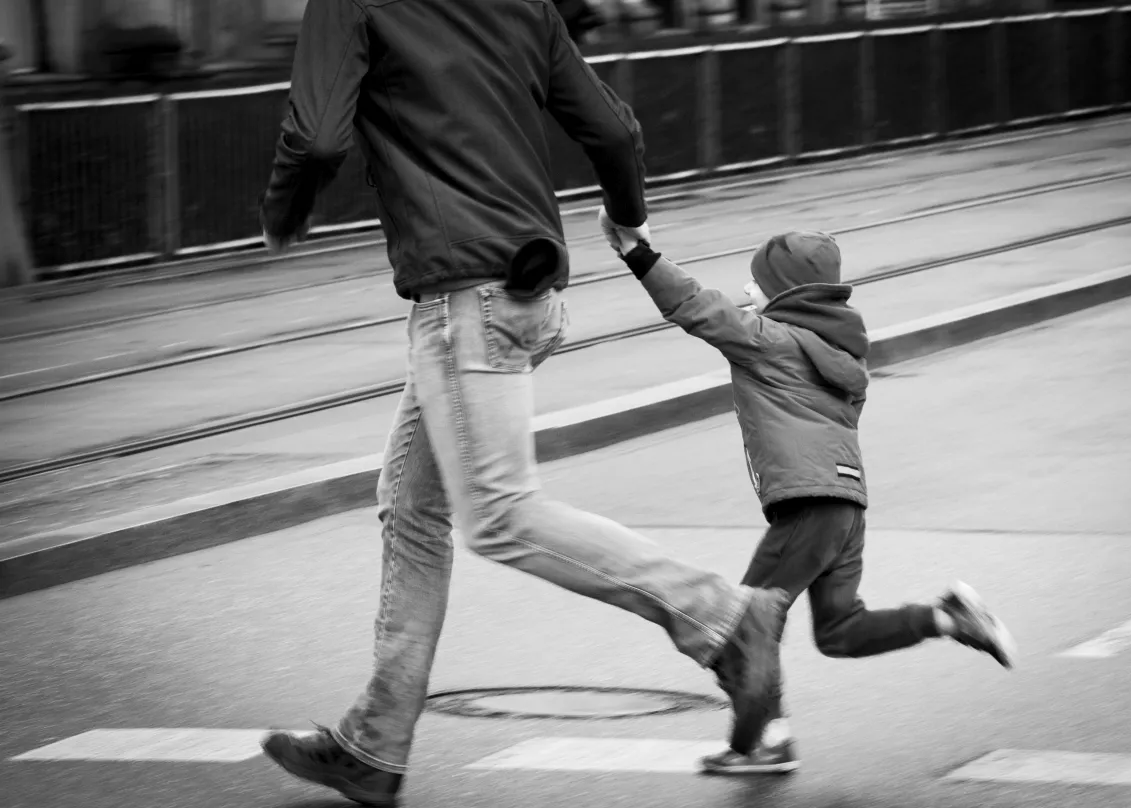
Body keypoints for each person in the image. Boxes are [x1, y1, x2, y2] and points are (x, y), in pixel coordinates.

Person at [255, 1, 787, 805]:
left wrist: (282, 212)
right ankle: (375, 743)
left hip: (463, 298)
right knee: (410, 507)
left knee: (500, 513)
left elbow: (320, 135)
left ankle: (723, 619)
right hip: (522, 285)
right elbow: (611, 130)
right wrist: (628, 215)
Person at [600, 223, 1018, 776]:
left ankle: (761, 743)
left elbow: (696, 307)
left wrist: (637, 251)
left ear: (787, 292)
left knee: (743, 624)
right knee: (839, 631)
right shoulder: (844, 358)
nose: (747, 295)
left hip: (808, 508)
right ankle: (948, 619)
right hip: (846, 508)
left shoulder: (771, 339)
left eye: (755, 285)